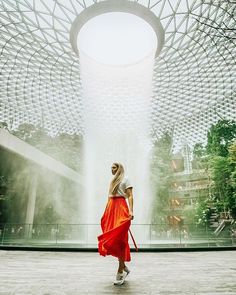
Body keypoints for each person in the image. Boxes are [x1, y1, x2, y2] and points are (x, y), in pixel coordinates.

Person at [97, 162, 138, 286]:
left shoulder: (126, 179)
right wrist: (106, 212)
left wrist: (131, 210)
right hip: (111, 208)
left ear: (119, 168)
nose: (111, 169)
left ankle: (120, 271)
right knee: (113, 238)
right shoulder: (112, 181)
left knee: (120, 239)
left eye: (114, 167)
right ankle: (123, 267)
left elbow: (130, 196)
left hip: (121, 208)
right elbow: (109, 198)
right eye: (111, 168)